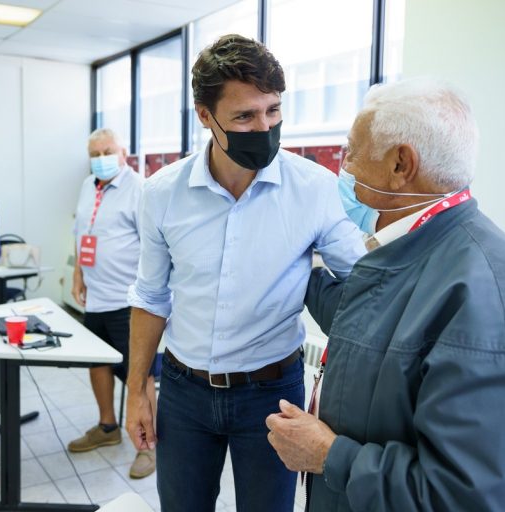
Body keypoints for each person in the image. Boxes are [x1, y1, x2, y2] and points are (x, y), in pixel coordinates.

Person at [265, 78, 505, 511]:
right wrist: (297, 270)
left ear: (401, 165)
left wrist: (329, 456)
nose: (344, 168)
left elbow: (468, 498)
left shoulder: (487, 299)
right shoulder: (415, 252)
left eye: (351, 151)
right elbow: (374, 330)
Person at [125, 34, 366, 511]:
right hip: (184, 391)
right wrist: (136, 389)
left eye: (273, 110)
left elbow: (364, 283)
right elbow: (151, 296)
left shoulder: (314, 189)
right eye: (244, 116)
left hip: (272, 394)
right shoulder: (162, 194)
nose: (264, 127)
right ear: (205, 115)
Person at [66, 128, 158, 479]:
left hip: (128, 300)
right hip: (96, 296)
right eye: (95, 154)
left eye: (107, 151)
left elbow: (153, 246)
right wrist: (78, 274)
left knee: (140, 374)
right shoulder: (87, 185)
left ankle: (148, 446)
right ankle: (107, 427)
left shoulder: (139, 189)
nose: (101, 158)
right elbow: (80, 234)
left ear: (123, 152)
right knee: (98, 363)